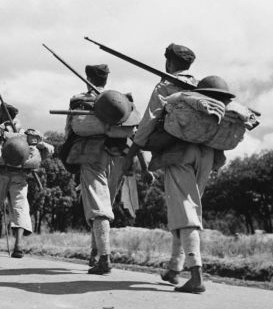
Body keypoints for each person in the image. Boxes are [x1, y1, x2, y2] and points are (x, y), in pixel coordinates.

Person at [122, 44, 230, 294]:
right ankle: (174, 268)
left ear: (169, 62)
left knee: (185, 213)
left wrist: (131, 154)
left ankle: (196, 276)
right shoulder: (203, 86)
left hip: (180, 153)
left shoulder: (165, 86)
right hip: (207, 154)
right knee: (185, 210)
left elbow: (148, 123)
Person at [62, 65, 145, 275]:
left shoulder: (79, 99)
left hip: (91, 156)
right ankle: (95, 253)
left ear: (87, 77)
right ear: (106, 79)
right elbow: (137, 134)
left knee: (98, 207)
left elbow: (70, 130)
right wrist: (143, 167)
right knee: (103, 205)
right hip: (118, 157)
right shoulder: (121, 102)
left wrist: (68, 156)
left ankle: (105, 258)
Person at [0, 104, 53, 257]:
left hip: (0, 174)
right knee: (20, 207)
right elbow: (46, 149)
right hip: (20, 175)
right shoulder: (26, 133)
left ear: (4, 114)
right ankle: (18, 246)